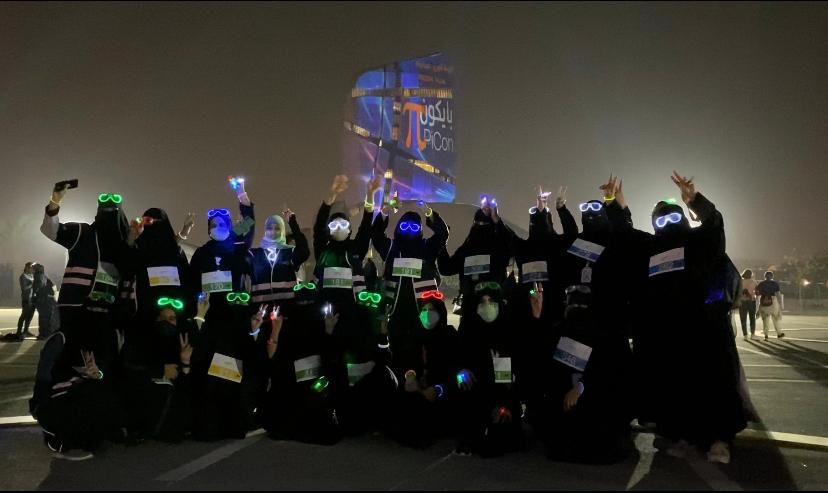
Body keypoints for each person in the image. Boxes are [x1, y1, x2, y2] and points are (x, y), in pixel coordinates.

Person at [608, 172, 748, 464]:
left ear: (683, 218)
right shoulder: (649, 248)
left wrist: (694, 200)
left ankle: (719, 440)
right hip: (666, 334)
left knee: (712, 385)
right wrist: (616, 204)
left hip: (703, 331)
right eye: (660, 221)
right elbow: (624, 234)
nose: (667, 224)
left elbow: (714, 224)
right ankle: (681, 434)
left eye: (673, 217)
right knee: (673, 386)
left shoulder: (698, 241)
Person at [371, 194, 449, 382]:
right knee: (396, 350)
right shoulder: (391, 248)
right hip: (395, 310)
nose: (409, 230)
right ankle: (396, 383)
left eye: (414, 227)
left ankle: (423, 383)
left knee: (422, 351)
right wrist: (385, 212)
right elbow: (376, 235)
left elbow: (442, 234)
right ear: (398, 228)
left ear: (420, 230)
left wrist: (429, 214)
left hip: (422, 309)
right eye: (404, 226)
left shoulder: (427, 247)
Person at [454, 282, 522, 457]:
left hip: (502, 393)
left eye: (491, 301)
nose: (487, 306)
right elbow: (458, 359)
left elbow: (511, 376)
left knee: (502, 431)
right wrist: (461, 372)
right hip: (476, 391)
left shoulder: (507, 331)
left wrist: (503, 404)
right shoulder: (469, 329)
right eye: (482, 302)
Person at [386, 291, 460, 448]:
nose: (427, 314)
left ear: (440, 312)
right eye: (424, 310)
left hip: (441, 390)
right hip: (418, 388)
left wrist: (438, 388)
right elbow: (405, 362)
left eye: (432, 310)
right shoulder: (414, 336)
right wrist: (410, 375)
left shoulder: (449, 336)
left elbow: (456, 370)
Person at [247, 208, 309, 307]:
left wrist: (293, 223)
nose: (273, 232)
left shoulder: (290, 252)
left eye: (277, 228)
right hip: (260, 308)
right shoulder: (255, 254)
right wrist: (244, 220)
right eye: (269, 228)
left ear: (282, 230)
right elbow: (235, 249)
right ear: (265, 230)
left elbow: (304, 251)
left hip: (287, 306)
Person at [756, 271, 785, 340]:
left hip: (764, 300)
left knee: (765, 320)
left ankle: (766, 335)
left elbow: (757, 293)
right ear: (772, 276)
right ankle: (779, 333)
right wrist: (780, 304)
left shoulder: (761, 284)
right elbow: (778, 294)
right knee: (775, 319)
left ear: (765, 276)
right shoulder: (775, 283)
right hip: (773, 300)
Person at [32, 264, 57, 340]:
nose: (32, 270)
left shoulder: (38, 277)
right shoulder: (45, 277)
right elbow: (54, 288)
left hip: (43, 301)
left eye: (33, 269)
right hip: (49, 300)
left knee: (43, 318)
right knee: (47, 318)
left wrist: (34, 299)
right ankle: (47, 333)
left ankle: (43, 334)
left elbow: (36, 289)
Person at [15, 262, 36, 340]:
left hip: (33, 298)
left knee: (30, 316)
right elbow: (24, 288)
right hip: (26, 298)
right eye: (31, 267)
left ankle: (26, 331)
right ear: (27, 267)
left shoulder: (32, 275)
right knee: (24, 315)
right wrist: (32, 284)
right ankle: (18, 331)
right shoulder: (23, 276)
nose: (32, 269)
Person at [738, 269, 759, 340]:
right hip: (751, 301)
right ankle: (752, 334)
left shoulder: (740, 281)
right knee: (752, 318)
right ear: (751, 274)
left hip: (742, 302)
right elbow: (757, 292)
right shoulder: (753, 281)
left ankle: (745, 335)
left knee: (743, 318)